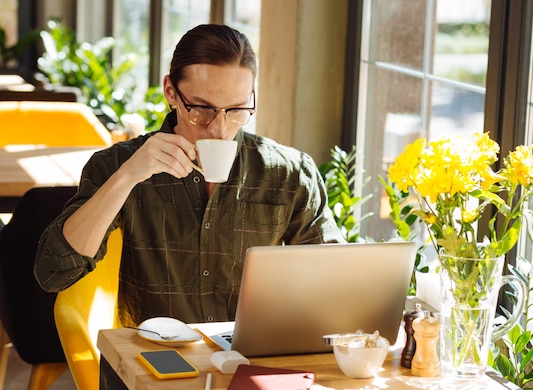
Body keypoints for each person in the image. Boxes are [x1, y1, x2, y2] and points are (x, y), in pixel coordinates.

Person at [34, 24, 344, 327]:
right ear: (170, 91)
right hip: (153, 363)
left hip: (251, 359)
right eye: (202, 109)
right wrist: (127, 176)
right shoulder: (119, 164)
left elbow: (335, 283)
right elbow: (53, 272)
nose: (219, 130)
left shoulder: (287, 173)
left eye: (237, 110)